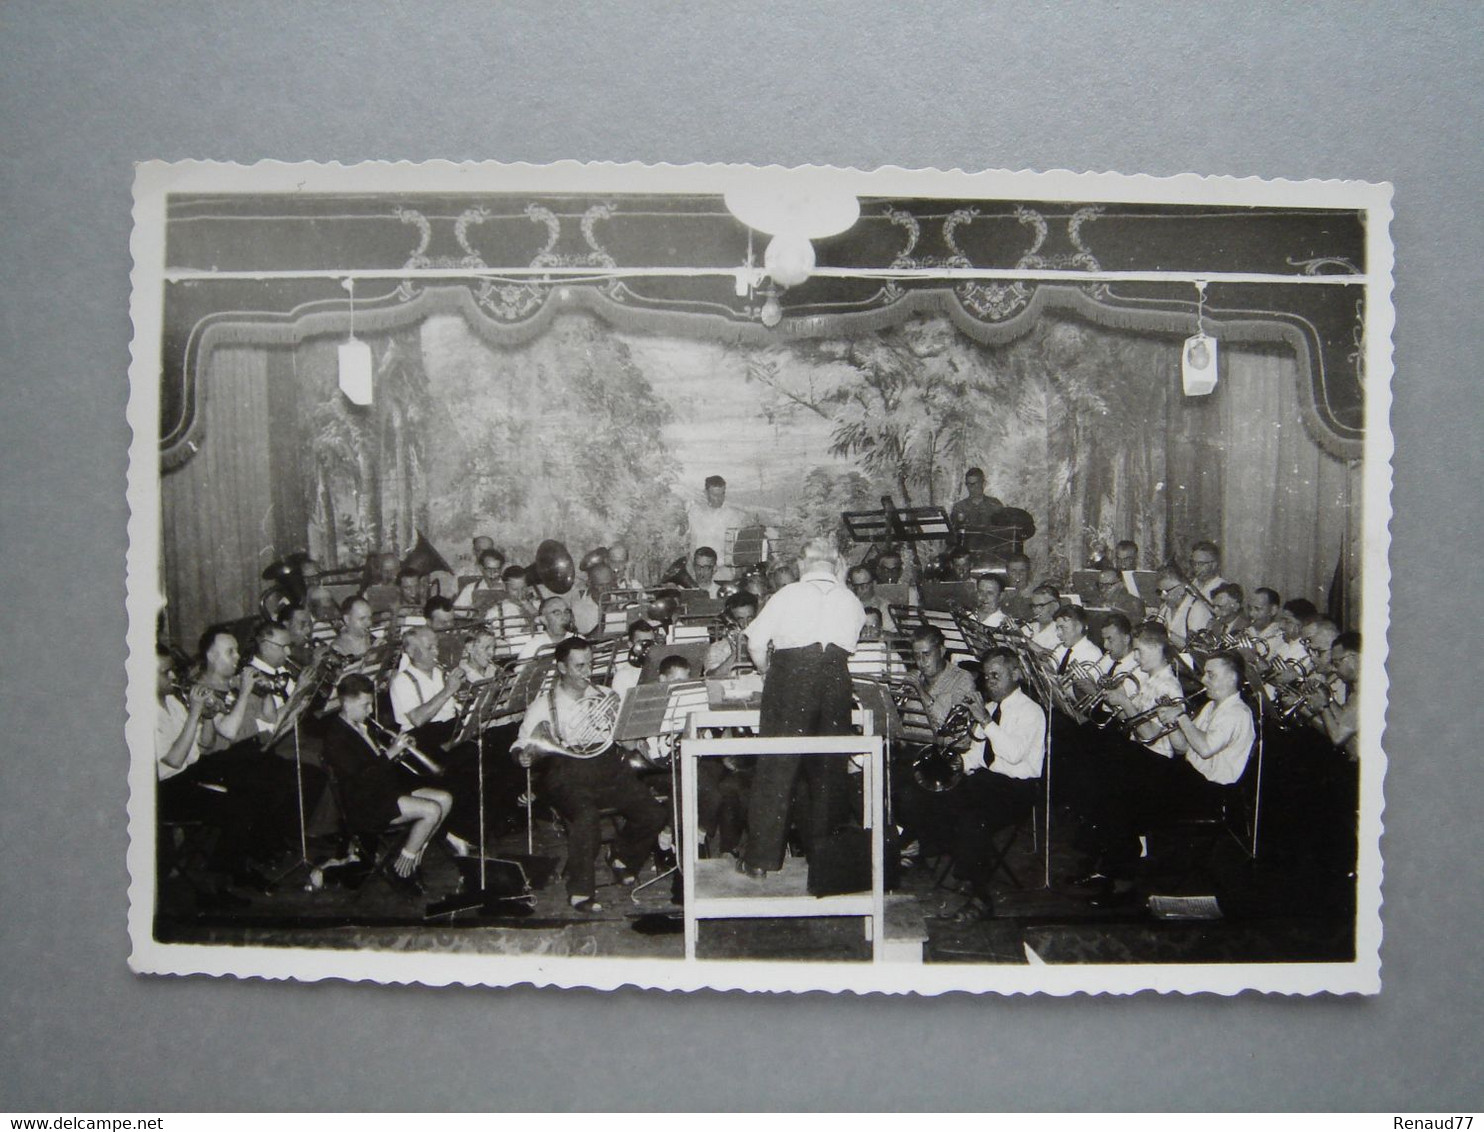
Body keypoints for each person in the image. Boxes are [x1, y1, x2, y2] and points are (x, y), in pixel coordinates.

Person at [740, 537, 866, 879]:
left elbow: (754, 642)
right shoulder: (851, 600)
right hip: (836, 682)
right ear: (836, 564)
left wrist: (767, 672)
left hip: (791, 678)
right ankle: (823, 862)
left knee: (776, 768)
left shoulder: (787, 595)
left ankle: (760, 861)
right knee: (828, 772)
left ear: (801, 564)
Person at [513, 637, 667, 913]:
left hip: (609, 769)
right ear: (561, 667)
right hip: (566, 773)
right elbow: (521, 743)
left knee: (653, 814)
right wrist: (522, 755)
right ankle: (580, 890)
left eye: (590, 664)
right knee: (586, 818)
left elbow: (625, 738)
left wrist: (630, 737)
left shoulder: (606, 696)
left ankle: (622, 858)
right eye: (579, 666)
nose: (587, 672)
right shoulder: (543, 705)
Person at [320, 674, 453, 890]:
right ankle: (401, 870)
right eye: (366, 705)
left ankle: (411, 858)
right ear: (346, 703)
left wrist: (397, 750)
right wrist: (391, 753)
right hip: (364, 803)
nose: (371, 710)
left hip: (383, 791)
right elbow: (362, 777)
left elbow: (377, 764)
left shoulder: (361, 725)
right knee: (431, 810)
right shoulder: (336, 736)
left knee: (445, 799)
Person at [946, 647, 1048, 920]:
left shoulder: (1031, 711)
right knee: (941, 797)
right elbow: (979, 756)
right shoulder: (989, 709)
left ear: (1016, 674)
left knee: (971, 817)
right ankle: (963, 869)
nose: (989, 682)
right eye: (986, 677)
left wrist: (986, 722)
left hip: (1018, 790)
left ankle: (980, 896)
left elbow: (1013, 755)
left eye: (996, 675)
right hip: (988, 782)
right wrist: (957, 764)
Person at [686, 474, 748, 580]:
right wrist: (691, 566)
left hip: (722, 571)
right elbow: (692, 542)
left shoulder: (733, 516)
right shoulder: (694, 513)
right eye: (714, 495)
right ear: (706, 493)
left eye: (722, 494)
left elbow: (739, 549)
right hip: (697, 571)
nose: (719, 499)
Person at [949, 467, 1006, 563]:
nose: (971, 488)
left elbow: (1003, 532)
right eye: (968, 484)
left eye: (975, 484)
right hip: (965, 556)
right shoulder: (959, 507)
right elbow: (953, 534)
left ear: (983, 483)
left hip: (991, 554)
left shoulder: (995, 505)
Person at [704, 591, 759, 677]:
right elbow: (711, 678)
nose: (746, 625)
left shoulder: (770, 642)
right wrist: (736, 653)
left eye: (750, 618)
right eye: (740, 619)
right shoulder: (717, 648)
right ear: (732, 620)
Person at [516, 596, 577, 662]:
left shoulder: (578, 640)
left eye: (566, 612)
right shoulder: (533, 647)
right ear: (544, 619)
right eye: (557, 613)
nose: (564, 617)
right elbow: (521, 671)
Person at [610, 619, 658, 697]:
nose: (647, 648)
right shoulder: (622, 676)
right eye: (641, 643)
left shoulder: (660, 668)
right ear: (630, 645)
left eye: (650, 643)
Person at [454, 549, 507, 613]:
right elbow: (457, 613)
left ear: (502, 568)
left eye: (496, 570)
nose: (492, 574)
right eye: (489, 569)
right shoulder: (471, 588)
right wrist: (472, 608)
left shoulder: (509, 587)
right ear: (481, 568)